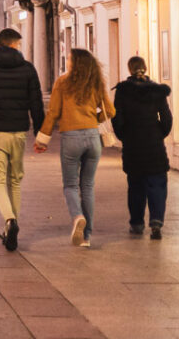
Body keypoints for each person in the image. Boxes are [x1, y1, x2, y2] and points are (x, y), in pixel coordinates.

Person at [35, 48, 115, 248]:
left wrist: (42, 139)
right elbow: (110, 110)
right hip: (92, 137)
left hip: (71, 137)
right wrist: (92, 119)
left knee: (70, 185)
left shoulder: (62, 82)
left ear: (75, 63)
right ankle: (86, 237)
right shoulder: (95, 83)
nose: (67, 61)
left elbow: (53, 113)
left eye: (69, 58)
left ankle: (77, 216)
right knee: (87, 186)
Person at [0, 28, 45, 252]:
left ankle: (9, 221)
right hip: (18, 131)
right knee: (14, 180)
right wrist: (40, 132)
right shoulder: (27, 68)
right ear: (15, 44)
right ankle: (12, 225)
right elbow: (36, 102)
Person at [113, 56, 171, 239]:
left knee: (136, 184)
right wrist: (159, 133)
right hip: (154, 144)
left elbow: (117, 118)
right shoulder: (157, 91)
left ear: (129, 69)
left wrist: (124, 135)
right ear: (145, 68)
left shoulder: (122, 91)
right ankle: (156, 221)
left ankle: (137, 223)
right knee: (157, 183)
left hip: (133, 144)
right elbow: (167, 118)